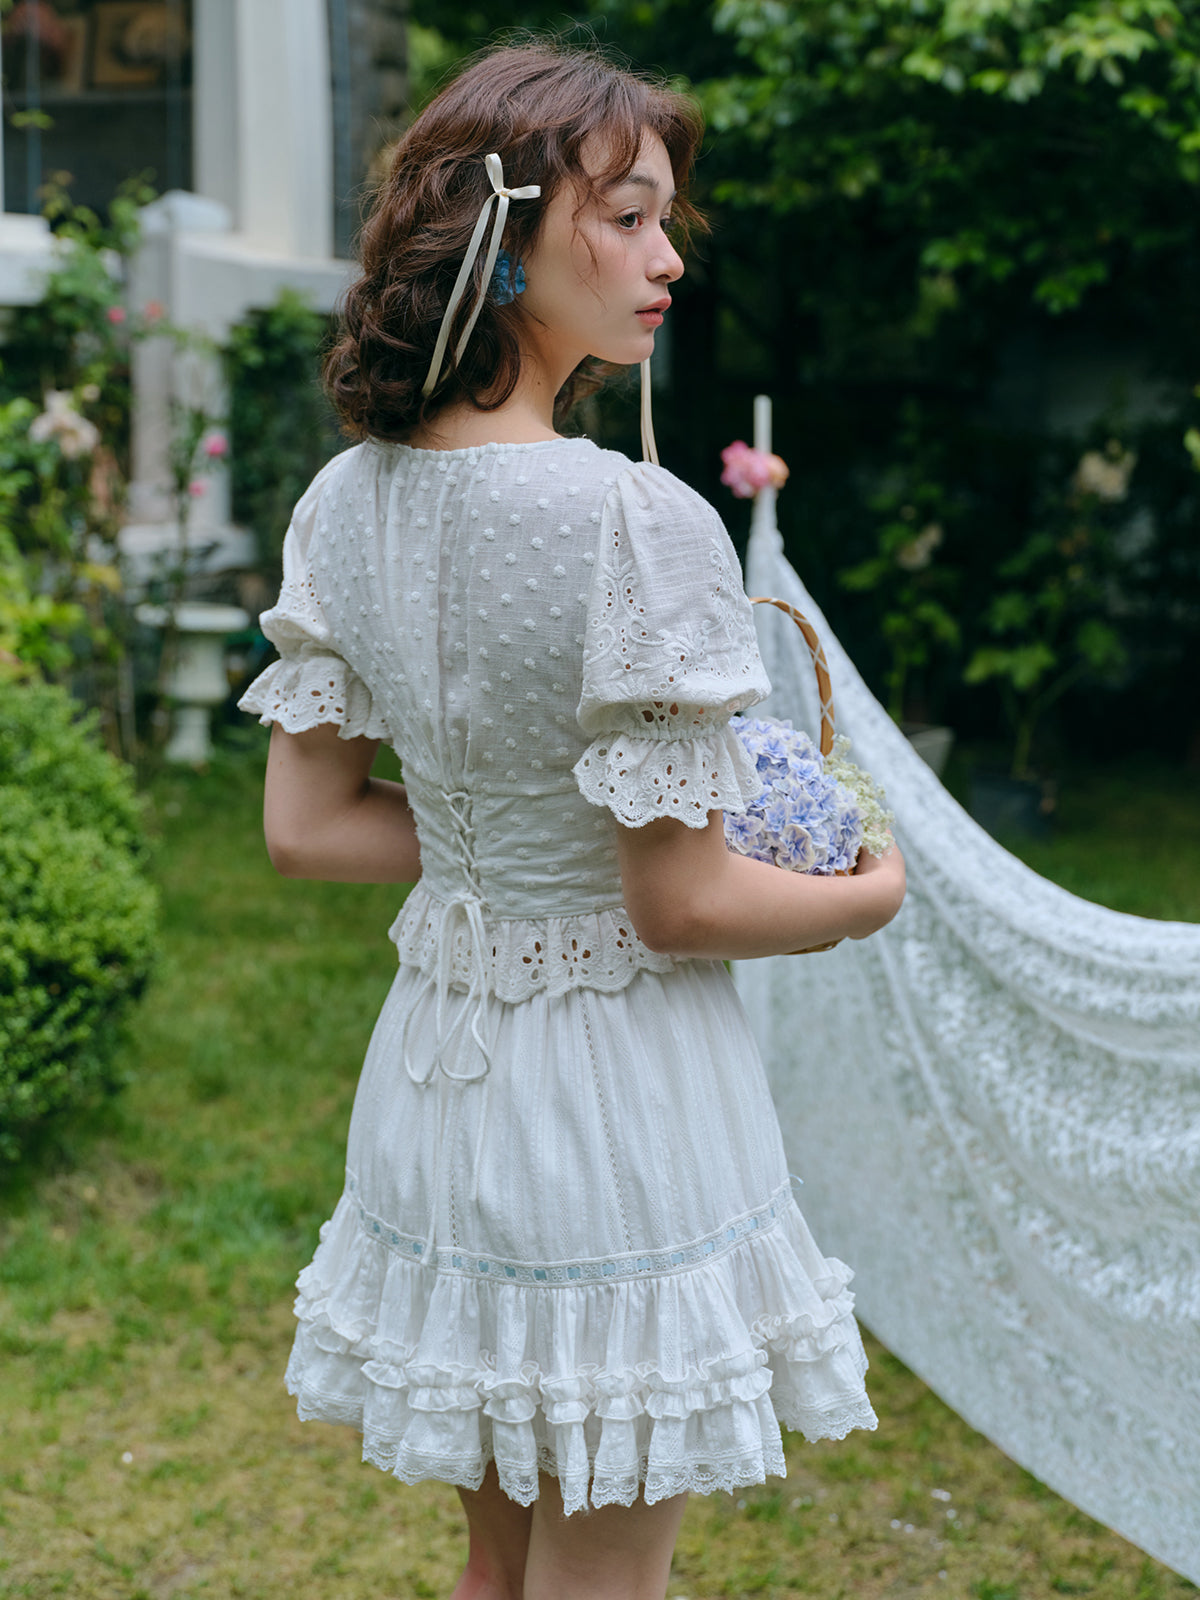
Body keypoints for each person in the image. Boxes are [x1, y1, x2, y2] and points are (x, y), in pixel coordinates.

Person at [237, 37, 906, 1600]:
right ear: (505, 233)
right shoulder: (632, 519)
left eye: (670, 221)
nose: (666, 255)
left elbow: (308, 828)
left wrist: (508, 836)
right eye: (626, 216)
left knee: (500, 1572)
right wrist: (870, 893)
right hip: (613, 1101)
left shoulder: (345, 500)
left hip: (438, 1085)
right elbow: (679, 906)